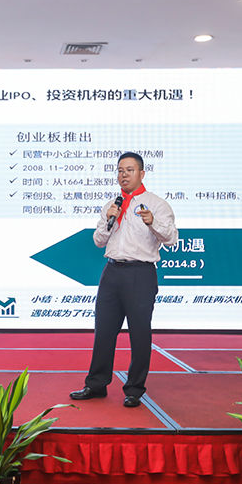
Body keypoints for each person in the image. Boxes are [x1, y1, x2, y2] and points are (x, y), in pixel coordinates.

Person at [70, 152, 178, 407]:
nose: (123, 175)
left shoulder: (157, 204)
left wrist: (153, 223)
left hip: (141, 273)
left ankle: (134, 389)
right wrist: (110, 219)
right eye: (120, 170)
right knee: (104, 331)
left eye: (129, 170)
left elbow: (171, 238)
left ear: (142, 173)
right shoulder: (112, 205)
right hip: (112, 272)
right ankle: (96, 385)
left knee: (139, 334)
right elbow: (98, 241)